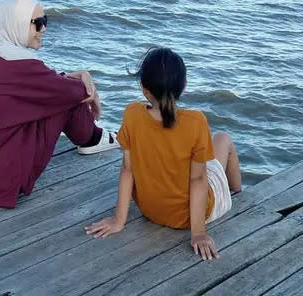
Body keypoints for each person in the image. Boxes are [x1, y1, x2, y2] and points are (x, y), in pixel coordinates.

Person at [0, 0, 118, 207]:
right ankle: (93, 139)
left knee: (57, 90)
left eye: (46, 21)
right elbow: (72, 92)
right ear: (14, 24)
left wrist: (78, 79)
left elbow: (49, 85)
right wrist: (86, 82)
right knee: (63, 98)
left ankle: (93, 137)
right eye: (38, 23)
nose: (44, 29)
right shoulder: (19, 67)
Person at [85, 47, 241, 260]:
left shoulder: (132, 114)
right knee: (223, 139)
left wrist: (118, 219)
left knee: (213, 152)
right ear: (183, 87)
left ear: (144, 89)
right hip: (190, 217)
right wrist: (198, 233)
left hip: (151, 211)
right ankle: (238, 195)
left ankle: (233, 194)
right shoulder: (196, 122)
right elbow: (198, 179)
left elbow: (127, 170)